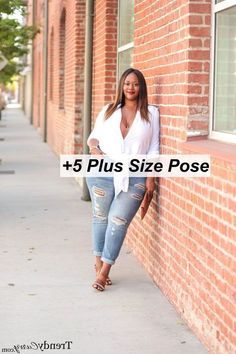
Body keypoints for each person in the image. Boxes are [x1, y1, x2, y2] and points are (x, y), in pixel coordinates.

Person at [86, 68, 160, 291]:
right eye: (127, 83)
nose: (131, 87)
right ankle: (98, 263)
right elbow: (94, 137)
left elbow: (154, 149)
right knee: (100, 218)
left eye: (136, 84)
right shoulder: (108, 110)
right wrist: (94, 149)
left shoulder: (151, 113)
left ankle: (105, 272)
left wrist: (151, 179)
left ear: (141, 87)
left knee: (118, 221)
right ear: (122, 85)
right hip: (102, 171)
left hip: (135, 173)